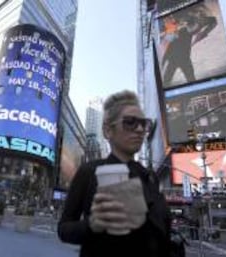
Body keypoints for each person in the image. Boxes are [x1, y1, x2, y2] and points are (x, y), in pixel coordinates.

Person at [57, 90, 171, 257]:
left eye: (143, 123)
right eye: (130, 122)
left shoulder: (149, 176)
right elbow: (63, 229)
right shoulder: (89, 171)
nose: (140, 129)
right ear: (108, 131)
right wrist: (92, 225)